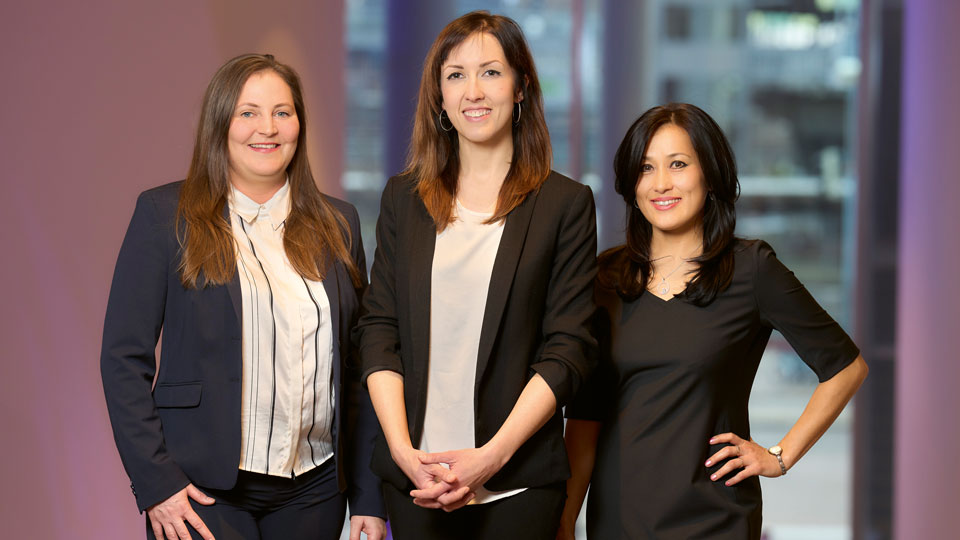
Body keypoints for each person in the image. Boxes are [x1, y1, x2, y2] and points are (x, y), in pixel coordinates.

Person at [101, 54, 385, 540]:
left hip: (314, 489)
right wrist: (156, 484)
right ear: (220, 124)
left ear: (299, 123)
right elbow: (123, 358)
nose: (267, 128)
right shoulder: (165, 215)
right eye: (248, 112)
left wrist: (368, 496)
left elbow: (358, 372)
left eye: (282, 111)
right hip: (201, 490)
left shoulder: (339, 223)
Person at [558, 103, 868, 539]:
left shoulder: (752, 269)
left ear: (709, 173)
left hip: (715, 520)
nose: (661, 183)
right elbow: (585, 421)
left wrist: (779, 456)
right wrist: (565, 522)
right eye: (646, 168)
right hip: (620, 522)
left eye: (678, 164)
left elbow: (845, 366)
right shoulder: (604, 280)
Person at [354, 11, 597, 540]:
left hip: (517, 482)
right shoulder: (404, 197)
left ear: (521, 88)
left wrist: (490, 457)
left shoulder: (564, 204)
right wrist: (401, 452)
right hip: (417, 477)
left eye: (491, 71)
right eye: (455, 75)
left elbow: (568, 348)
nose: (473, 91)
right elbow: (379, 331)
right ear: (439, 96)